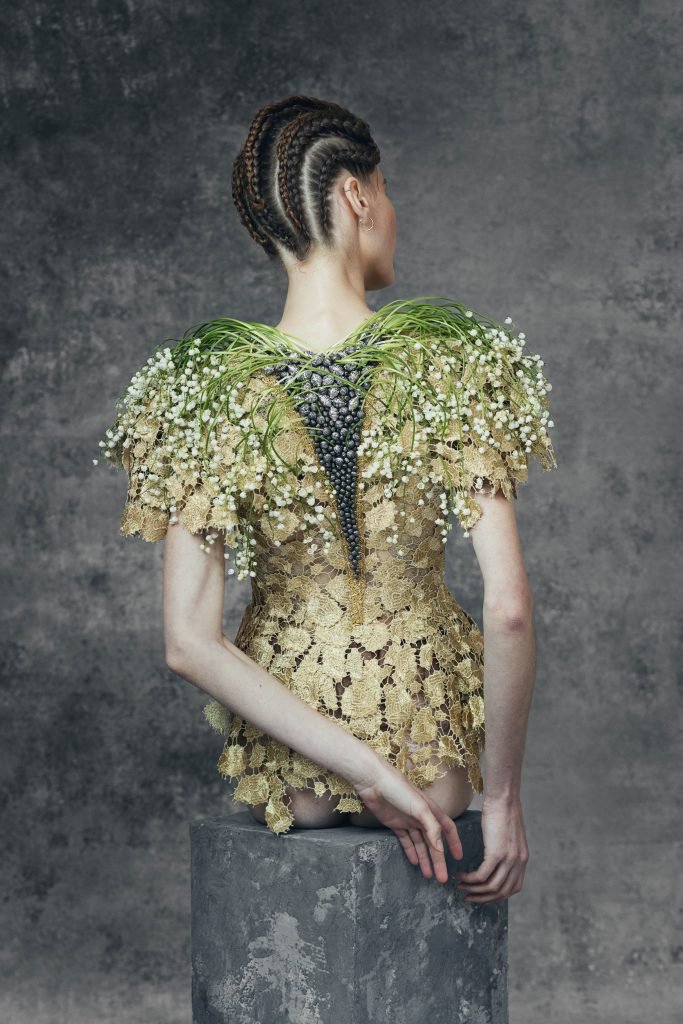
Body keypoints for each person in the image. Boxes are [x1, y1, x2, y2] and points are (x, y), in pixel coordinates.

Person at [97, 95, 556, 903]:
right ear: (355, 195)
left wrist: (360, 770)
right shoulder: (450, 360)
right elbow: (509, 610)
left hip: (296, 770)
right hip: (429, 753)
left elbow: (188, 641)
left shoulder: (206, 387)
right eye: (386, 190)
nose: (391, 210)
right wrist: (504, 800)